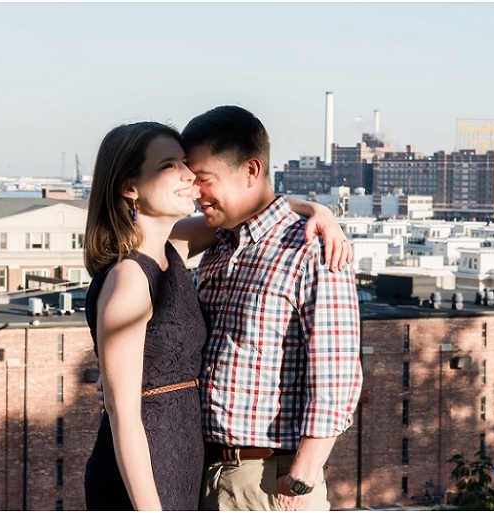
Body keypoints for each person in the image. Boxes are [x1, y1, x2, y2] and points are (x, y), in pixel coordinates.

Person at [83, 121, 352, 510]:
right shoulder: (129, 276)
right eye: (169, 165)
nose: (187, 175)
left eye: (185, 164)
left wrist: (317, 209)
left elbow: (254, 208)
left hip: (189, 458)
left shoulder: (175, 247)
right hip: (147, 463)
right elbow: (121, 411)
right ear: (129, 188)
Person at [181, 106, 363, 511]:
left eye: (204, 179)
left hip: (267, 480)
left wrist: (301, 477)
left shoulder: (313, 248)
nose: (195, 192)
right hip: (205, 469)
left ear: (250, 170)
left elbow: (336, 371)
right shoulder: (218, 245)